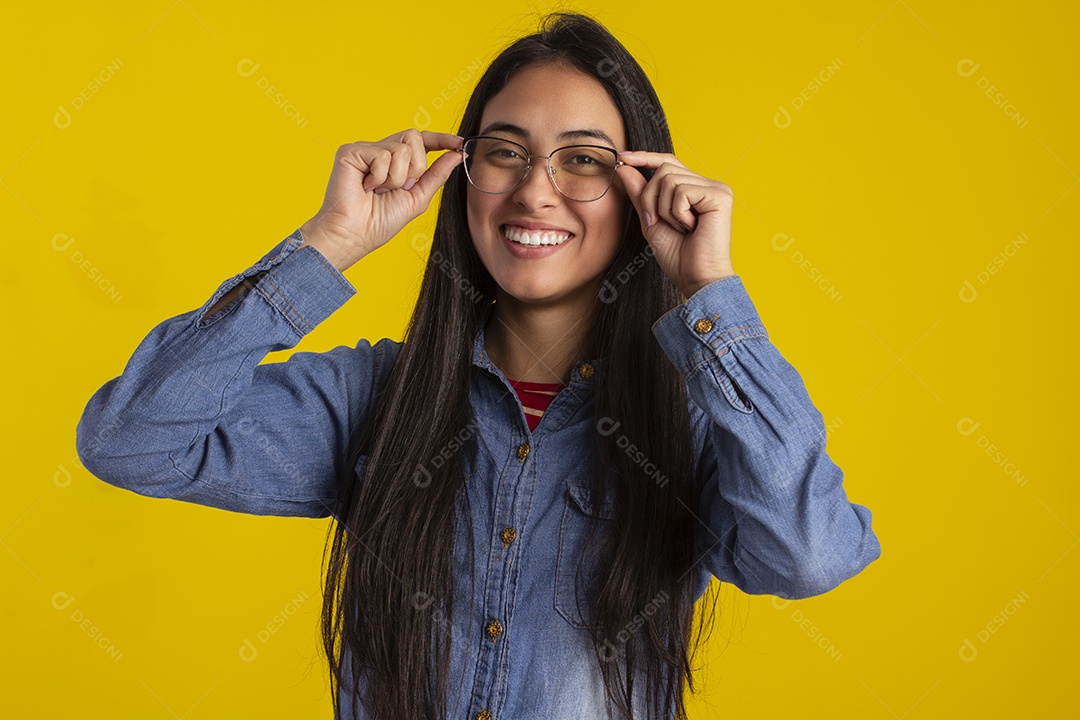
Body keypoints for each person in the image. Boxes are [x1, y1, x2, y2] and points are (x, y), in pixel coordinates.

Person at [76, 11, 881, 720]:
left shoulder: (696, 425)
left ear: (641, 190)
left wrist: (707, 290)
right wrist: (327, 245)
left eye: (584, 160)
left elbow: (808, 556)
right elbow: (131, 439)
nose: (536, 191)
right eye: (506, 153)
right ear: (464, 178)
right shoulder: (374, 397)